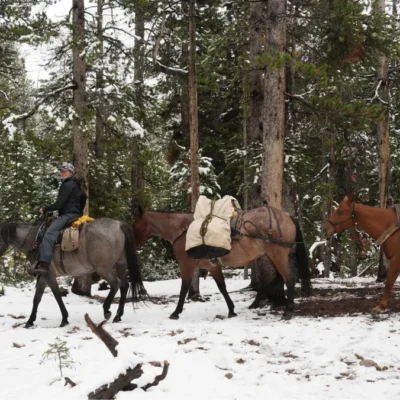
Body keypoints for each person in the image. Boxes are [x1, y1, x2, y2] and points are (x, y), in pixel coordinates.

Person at [34, 162, 87, 276]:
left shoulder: (67, 185)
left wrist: (45, 209)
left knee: (49, 235)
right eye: (61, 171)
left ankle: (44, 264)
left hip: (67, 215)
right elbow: (84, 198)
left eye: (65, 171)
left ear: (71, 172)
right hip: (76, 215)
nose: (62, 173)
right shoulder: (78, 185)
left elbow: (59, 204)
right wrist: (79, 211)